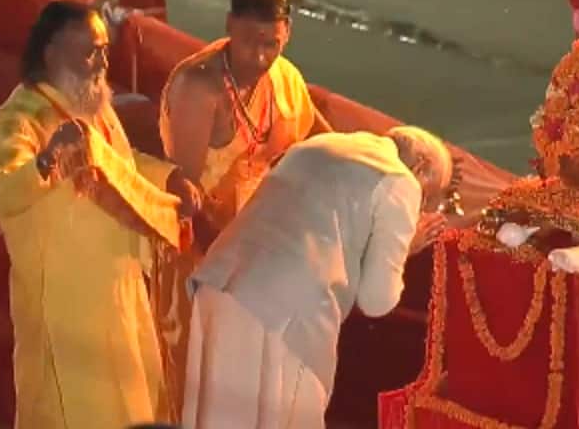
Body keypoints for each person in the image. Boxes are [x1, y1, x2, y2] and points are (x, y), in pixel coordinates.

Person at [0, 0, 201, 429]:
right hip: (65, 306)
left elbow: (120, 161)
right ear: (51, 53)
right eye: (90, 52)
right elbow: (0, 193)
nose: (102, 62)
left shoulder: (92, 102)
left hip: (119, 288)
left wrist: (169, 177)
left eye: (103, 50)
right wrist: (47, 159)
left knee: (135, 401)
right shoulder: (20, 117)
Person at [181, 126, 454, 428]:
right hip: (286, 317)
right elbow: (377, 301)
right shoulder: (400, 180)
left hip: (219, 286)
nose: (421, 209)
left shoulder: (318, 144)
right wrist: (408, 246)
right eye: (427, 198)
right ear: (421, 167)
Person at [159, 0, 333, 234]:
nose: (259, 58)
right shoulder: (200, 88)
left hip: (269, 215)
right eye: (248, 42)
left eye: (271, 45)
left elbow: (325, 142)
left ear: (287, 32)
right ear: (229, 24)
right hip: (217, 234)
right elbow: (185, 197)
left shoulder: (286, 77)